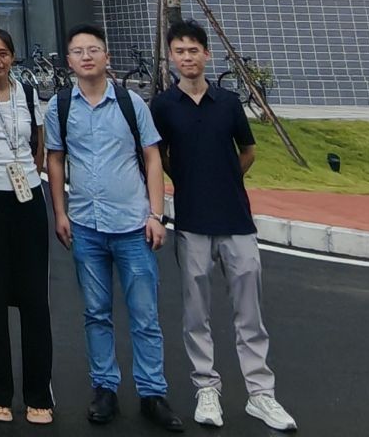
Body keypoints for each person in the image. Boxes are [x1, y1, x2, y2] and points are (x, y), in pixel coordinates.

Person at [149, 23, 296, 433]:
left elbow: (248, 151)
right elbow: (158, 157)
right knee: (196, 313)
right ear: (171, 56)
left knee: (249, 312)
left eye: (194, 50)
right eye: (179, 51)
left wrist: (226, 178)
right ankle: (206, 388)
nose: (187, 57)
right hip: (192, 221)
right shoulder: (163, 106)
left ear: (207, 54)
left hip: (236, 220)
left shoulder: (228, 102)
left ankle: (261, 393)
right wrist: (186, 181)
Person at [42, 26, 181, 432]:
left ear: (107, 57)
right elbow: (55, 160)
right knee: (96, 312)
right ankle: (104, 388)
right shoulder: (60, 106)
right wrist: (60, 213)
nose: (86, 57)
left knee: (145, 315)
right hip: (86, 224)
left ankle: (152, 392)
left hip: (132, 225)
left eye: (93, 50)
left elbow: (152, 157)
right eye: (77, 51)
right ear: (68, 61)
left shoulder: (130, 102)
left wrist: (156, 215)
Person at [0, 30, 53, 426]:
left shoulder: (28, 94)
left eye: (3, 53)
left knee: (35, 299)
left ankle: (39, 395)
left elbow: (39, 142)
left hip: (28, 200)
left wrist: (32, 172)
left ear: (13, 57)